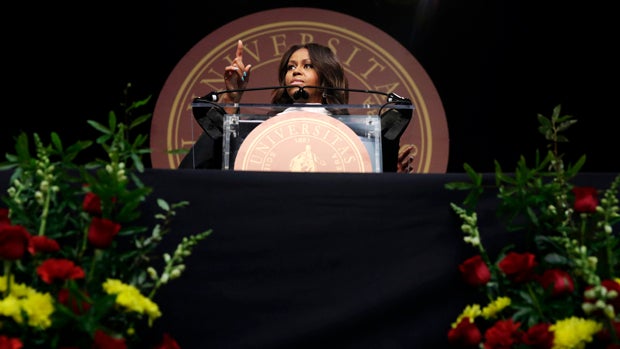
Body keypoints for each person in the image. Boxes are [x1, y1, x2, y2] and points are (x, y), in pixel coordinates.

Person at [179, 40, 412, 172]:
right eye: (290, 67)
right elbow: (197, 169)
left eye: (308, 65)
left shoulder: (356, 135)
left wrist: (386, 169)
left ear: (326, 75)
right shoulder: (257, 133)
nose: (296, 71)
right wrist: (231, 98)